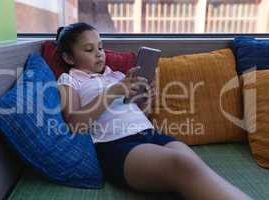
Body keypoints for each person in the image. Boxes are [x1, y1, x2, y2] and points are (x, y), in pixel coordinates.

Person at [56, 22, 251, 200]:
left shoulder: (117, 75)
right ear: (68, 57)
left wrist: (145, 99)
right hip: (115, 144)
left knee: (196, 166)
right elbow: (75, 124)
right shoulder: (70, 80)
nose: (99, 53)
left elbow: (139, 112)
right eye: (89, 49)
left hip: (150, 134)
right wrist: (114, 91)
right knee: (184, 166)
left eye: (100, 47)